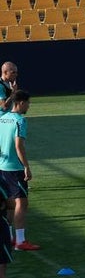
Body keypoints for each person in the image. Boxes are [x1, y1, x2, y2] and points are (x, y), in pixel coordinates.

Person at [0, 90, 37, 252]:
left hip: (2, 166)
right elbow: (18, 145)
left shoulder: (2, 118)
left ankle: (8, 237)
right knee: (21, 203)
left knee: (8, 204)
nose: (29, 106)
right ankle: (20, 241)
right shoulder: (20, 121)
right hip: (15, 168)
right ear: (21, 102)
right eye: (28, 103)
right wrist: (26, 167)